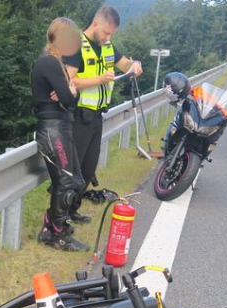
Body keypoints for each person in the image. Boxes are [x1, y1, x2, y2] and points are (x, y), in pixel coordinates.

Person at [63, 6, 143, 223]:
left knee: (88, 168)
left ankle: (73, 210)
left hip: (97, 116)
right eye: (106, 32)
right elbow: (68, 81)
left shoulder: (106, 45)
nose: (108, 37)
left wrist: (134, 65)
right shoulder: (75, 45)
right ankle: (60, 216)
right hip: (78, 115)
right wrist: (99, 80)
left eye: (112, 34)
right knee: (73, 170)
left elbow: (124, 62)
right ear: (95, 23)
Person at [31, 17, 89, 251]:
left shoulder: (57, 63)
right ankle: (58, 235)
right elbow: (67, 99)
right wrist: (70, 90)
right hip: (53, 129)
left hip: (60, 128)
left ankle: (49, 228)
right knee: (67, 183)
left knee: (75, 181)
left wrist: (69, 91)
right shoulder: (49, 63)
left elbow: (68, 99)